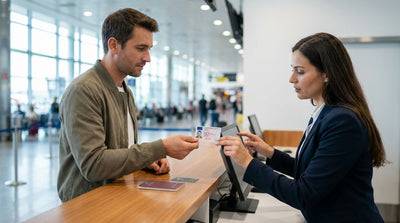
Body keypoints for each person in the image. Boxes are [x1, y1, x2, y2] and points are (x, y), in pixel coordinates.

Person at [217, 33, 386, 223]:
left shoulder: (342, 121)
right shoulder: (326, 113)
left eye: (300, 71)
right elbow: (310, 172)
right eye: (293, 70)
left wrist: (247, 162)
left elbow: (304, 194)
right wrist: (270, 153)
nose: (291, 79)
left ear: (327, 74)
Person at [57, 8, 199, 202]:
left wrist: (145, 161)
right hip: (87, 205)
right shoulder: (84, 90)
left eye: (149, 49)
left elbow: (119, 150)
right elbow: (93, 164)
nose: (148, 58)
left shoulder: (124, 90)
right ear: (114, 45)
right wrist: (161, 148)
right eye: (141, 48)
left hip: (116, 195)